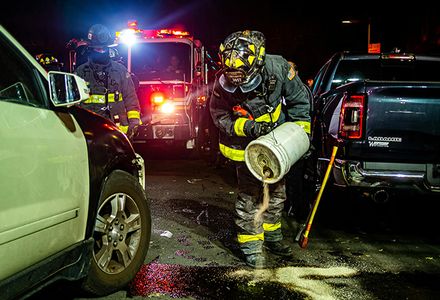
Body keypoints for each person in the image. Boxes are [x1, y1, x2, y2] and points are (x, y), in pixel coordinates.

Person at [209, 30, 311, 268]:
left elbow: (299, 102)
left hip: (277, 142)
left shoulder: (279, 69)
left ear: (258, 62)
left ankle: (273, 237)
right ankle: (252, 246)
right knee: (249, 196)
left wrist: (301, 137)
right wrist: (247, 128)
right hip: (245, 147)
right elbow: (218, 115)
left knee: (276, 193)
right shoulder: (223, 81)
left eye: (243, 76)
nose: (238, 82)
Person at [75, 24, 141, 140]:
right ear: (90, 49)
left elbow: (130, 98)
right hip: (91, 132)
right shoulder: (80, 72)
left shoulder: (120, 70)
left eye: (104, 48)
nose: (101, 51)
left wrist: (134, 122)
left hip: (119, 132)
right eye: (97, 49)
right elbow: (74, 103)